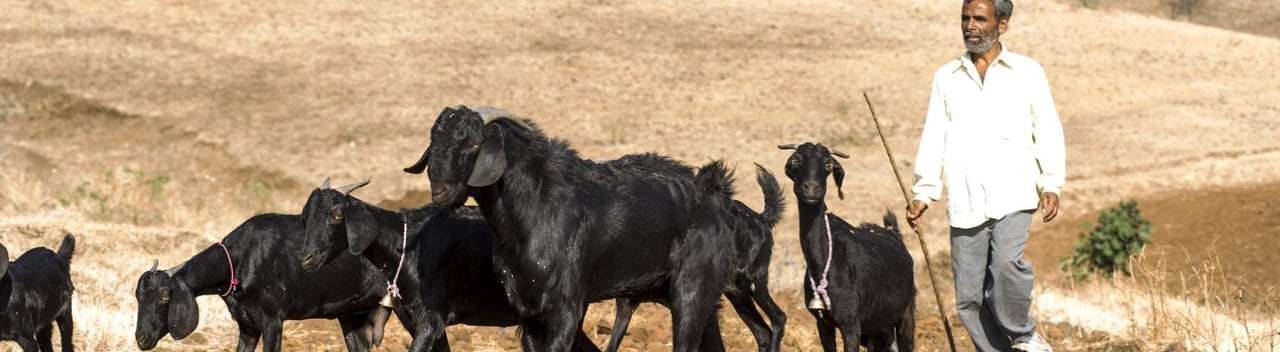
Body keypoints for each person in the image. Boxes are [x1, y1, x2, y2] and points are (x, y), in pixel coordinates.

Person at [905, 0, 1064, 351]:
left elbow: (1047, 129)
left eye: (980, 18)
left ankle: (1024, 336)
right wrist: (924, 191)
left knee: (1008, 266)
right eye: (965, 18)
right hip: (966, 200)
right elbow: (934, 136)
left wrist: (1050, 182)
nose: (970, 26)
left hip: (1015, 192)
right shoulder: (946, 77)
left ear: (1001, 25)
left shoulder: (1027, 72)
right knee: (968, 298)